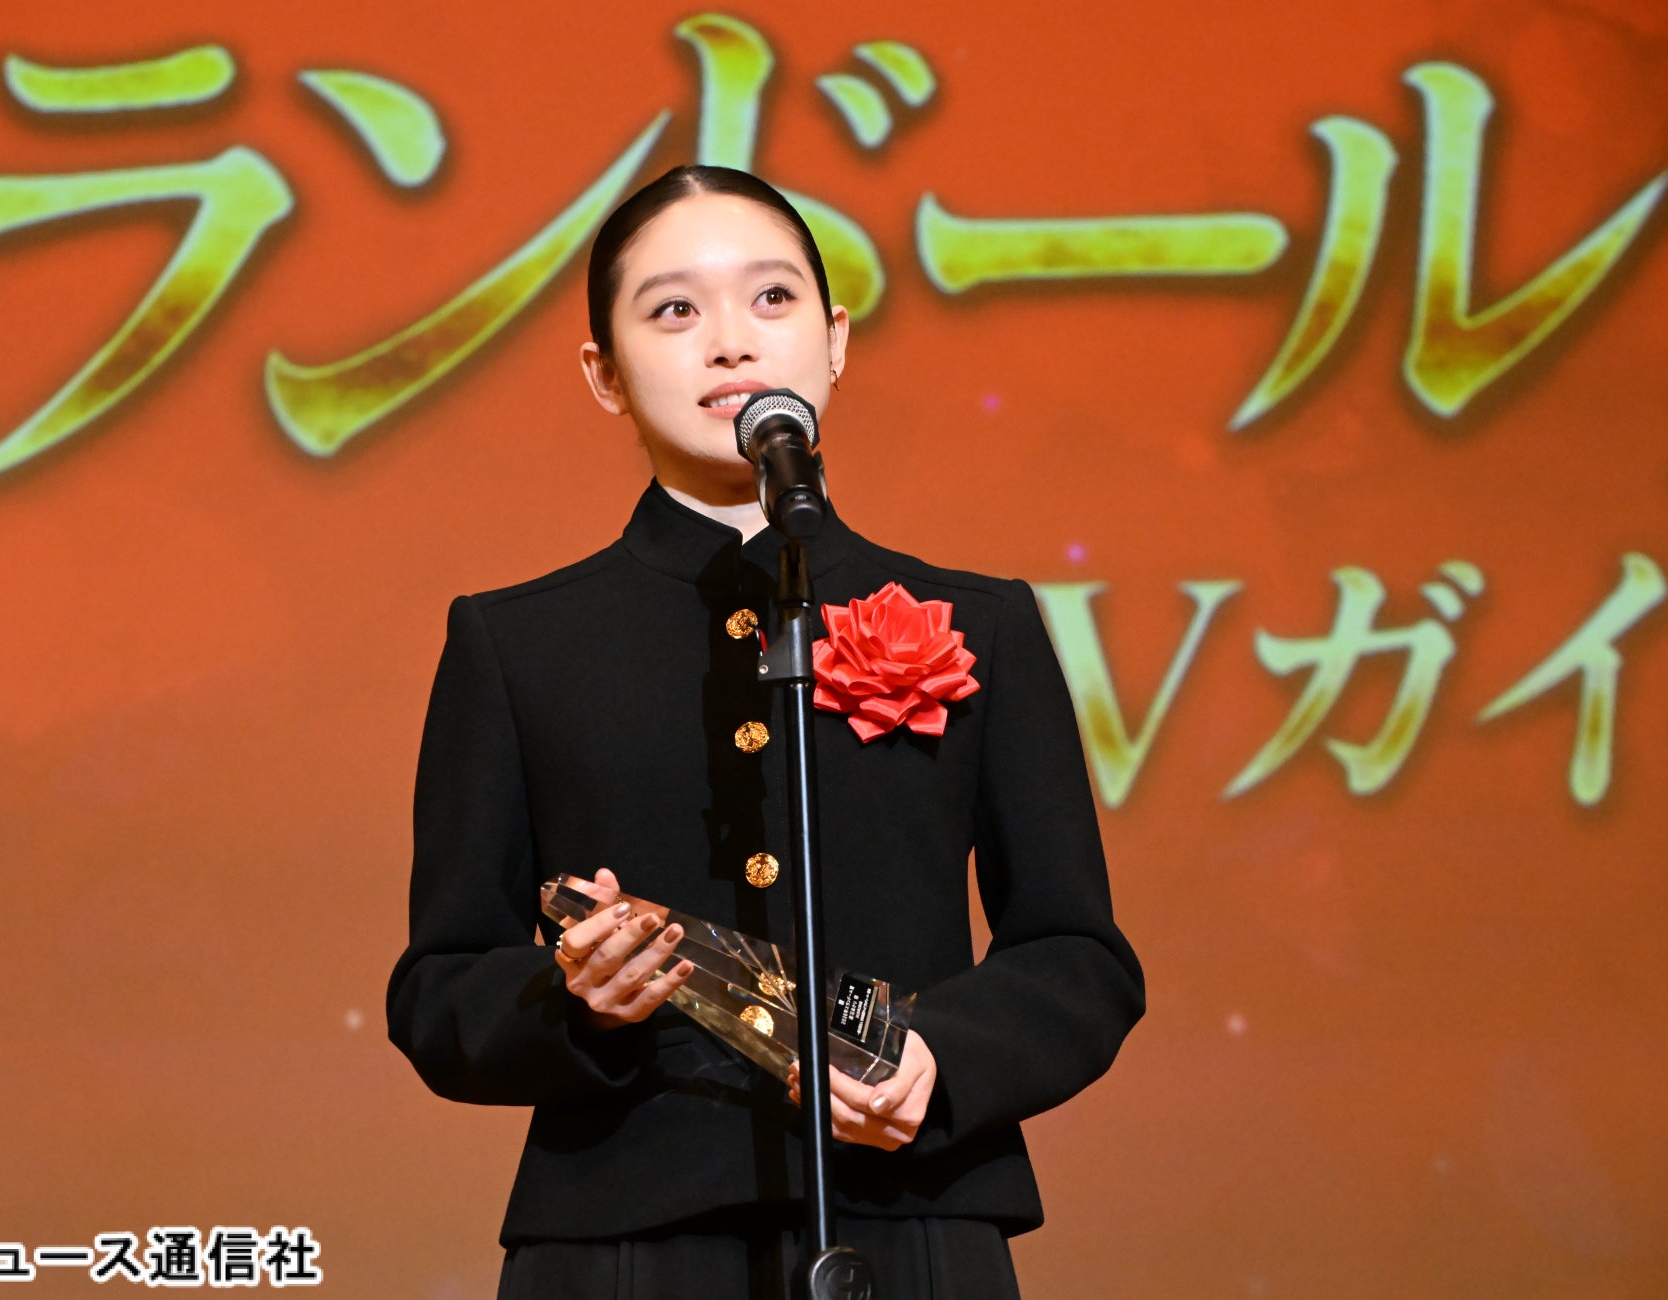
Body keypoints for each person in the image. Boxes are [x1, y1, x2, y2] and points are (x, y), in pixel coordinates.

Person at [386, 165, 1145, 1299]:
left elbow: (1079, 957)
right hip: (625, 1243)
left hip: (913, 1224)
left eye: (773, 298)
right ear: (603, 373)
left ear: (834, 341)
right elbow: (439, 989)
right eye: (673, 309)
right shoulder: (518, 642)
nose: (731, 341)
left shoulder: (981, 621)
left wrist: (939, 1057)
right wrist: (577, 1000)